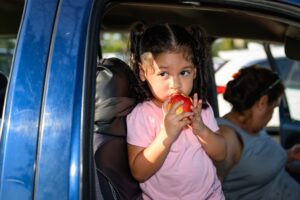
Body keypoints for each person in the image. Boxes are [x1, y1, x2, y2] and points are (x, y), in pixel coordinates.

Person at [126, 23, 226, 200]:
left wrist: (201, 129)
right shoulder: (142, 116)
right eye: (164, 74)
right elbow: (139, 172)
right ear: (143, 72)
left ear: (194, 71)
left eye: (184, 72)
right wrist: (167, 134)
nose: (176, 84)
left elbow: (221, 154)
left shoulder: (201, 109)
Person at [216, 65, 300, 199]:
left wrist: (289, 154)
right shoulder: (226, 136)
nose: (272, 114)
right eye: (273, 108)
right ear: (262, 103)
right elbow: (209, 189)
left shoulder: (251, 124)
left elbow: (254, 159)